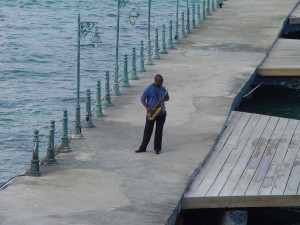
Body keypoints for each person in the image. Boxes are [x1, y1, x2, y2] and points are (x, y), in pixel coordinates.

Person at [135, 74, 169, 154]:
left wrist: (163, 100)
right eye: (160, 82)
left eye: (162, 81)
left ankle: (157, 149)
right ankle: (143, 148)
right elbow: (142, 99)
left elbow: (167, 98)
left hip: (161, 113)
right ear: (156, 81)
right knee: (147, 131)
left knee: (159, 132)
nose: (162, 83)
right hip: (151, 113)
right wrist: (148, 109)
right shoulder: (149, 88)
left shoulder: (163, 89)